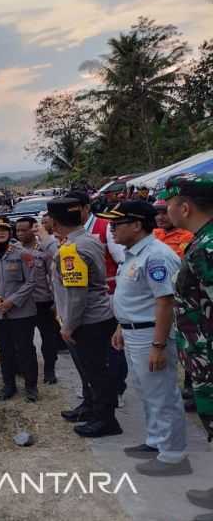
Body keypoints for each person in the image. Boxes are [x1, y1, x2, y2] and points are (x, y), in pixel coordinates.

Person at [96, 200, 191, 477]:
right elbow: (135, 297)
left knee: (162, 394)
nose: (111, 230)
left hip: (151, 334)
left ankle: (174, 456)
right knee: (147, 390)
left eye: (117, 224)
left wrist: (158, 345)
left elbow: (165, 301)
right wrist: (121, 327)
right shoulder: (134, 252)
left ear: (137, 225)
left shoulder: (156, 255)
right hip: (134, 331)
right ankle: (156, 441)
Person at [158, 173, 213, 517]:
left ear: (184, 206)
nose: (165, 210)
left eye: (168, 204)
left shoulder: (207, 247)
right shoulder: (202, 241)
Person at [48, 198, 121, 438]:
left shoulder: (71, 250)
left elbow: (77, 295)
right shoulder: (89, 239)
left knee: (96, 372)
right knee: (90, 370)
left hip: (86, 321)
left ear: (55, 223)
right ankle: (89, 407)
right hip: (96, 317)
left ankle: (105, 420)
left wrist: (68, 326)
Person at [0, 217, 39, 402]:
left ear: (10, 232)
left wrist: (12, 301)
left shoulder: (23, 254)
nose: (1, 232)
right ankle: (8, 385)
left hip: (22, 313)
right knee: (5, 350)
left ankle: (31, 387)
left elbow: (31, 281)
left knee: (26, 349)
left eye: (4, 229)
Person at [79, 190, 128, 406]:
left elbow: (122, 261)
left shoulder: (104, 226)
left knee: (113, 345)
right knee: (91, 348)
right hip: (84, 299)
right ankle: (95, 389)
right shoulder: (70, 233)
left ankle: (117, 387)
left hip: (110, 294)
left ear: (85, 208)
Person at [153, 198, 197, 410]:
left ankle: (192, 385)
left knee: (192, 341)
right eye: (158, 213)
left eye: (165, 212)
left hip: (183, 296)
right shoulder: (155, 235)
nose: (161, 217)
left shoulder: (187, 236)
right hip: (164, 299)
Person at [15, 216, 60, 384]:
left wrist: (57, 302)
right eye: (17, 230)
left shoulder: (46, 249)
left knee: (48, 338)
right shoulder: (14, 249)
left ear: (33, 230)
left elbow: (54, 277)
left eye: (23, 230)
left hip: (43, 302)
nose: (19, 233)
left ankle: (50, 370)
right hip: (22, 304)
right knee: (24, 340)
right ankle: (27, 368)